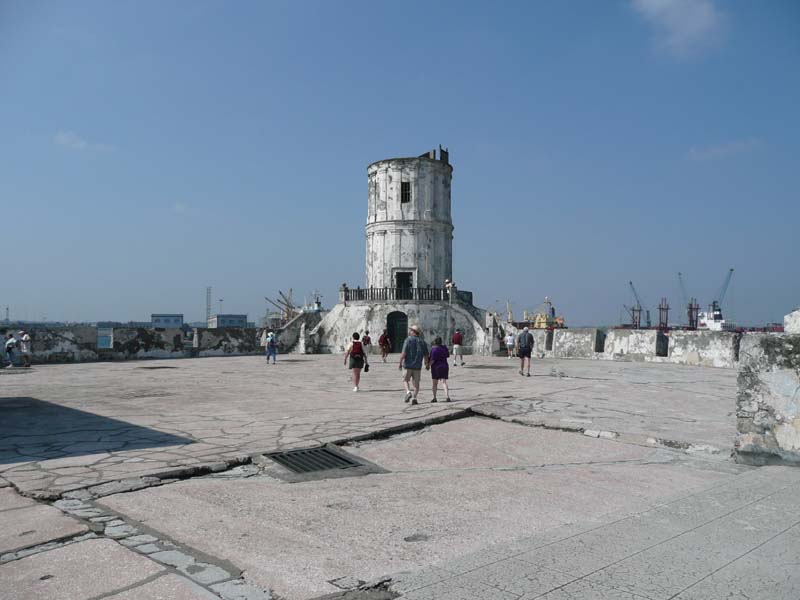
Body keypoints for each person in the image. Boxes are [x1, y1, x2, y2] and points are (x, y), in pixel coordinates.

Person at [399, 325, 429, 405]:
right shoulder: (422, 342)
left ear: (414, 332)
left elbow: (404, 353)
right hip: (417, 367)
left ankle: (408, 392)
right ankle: (414, 398)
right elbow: (426, 355)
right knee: (416, 384)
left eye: (411, 330)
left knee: (405, 380)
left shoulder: (408, 340)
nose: (409, 331)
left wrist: (400, 362)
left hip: (408, 365)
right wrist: (426, 364)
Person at [429, 336, 451, 403]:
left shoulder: (434, 349)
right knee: (444, 382)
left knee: (435, 383)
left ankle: (434, 397)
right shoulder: (444, 348)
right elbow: (447, 355)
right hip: (444, 366)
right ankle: (447, 396)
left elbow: (432, 360)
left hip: (436, 367)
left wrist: (428, 365)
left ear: (435, 342)